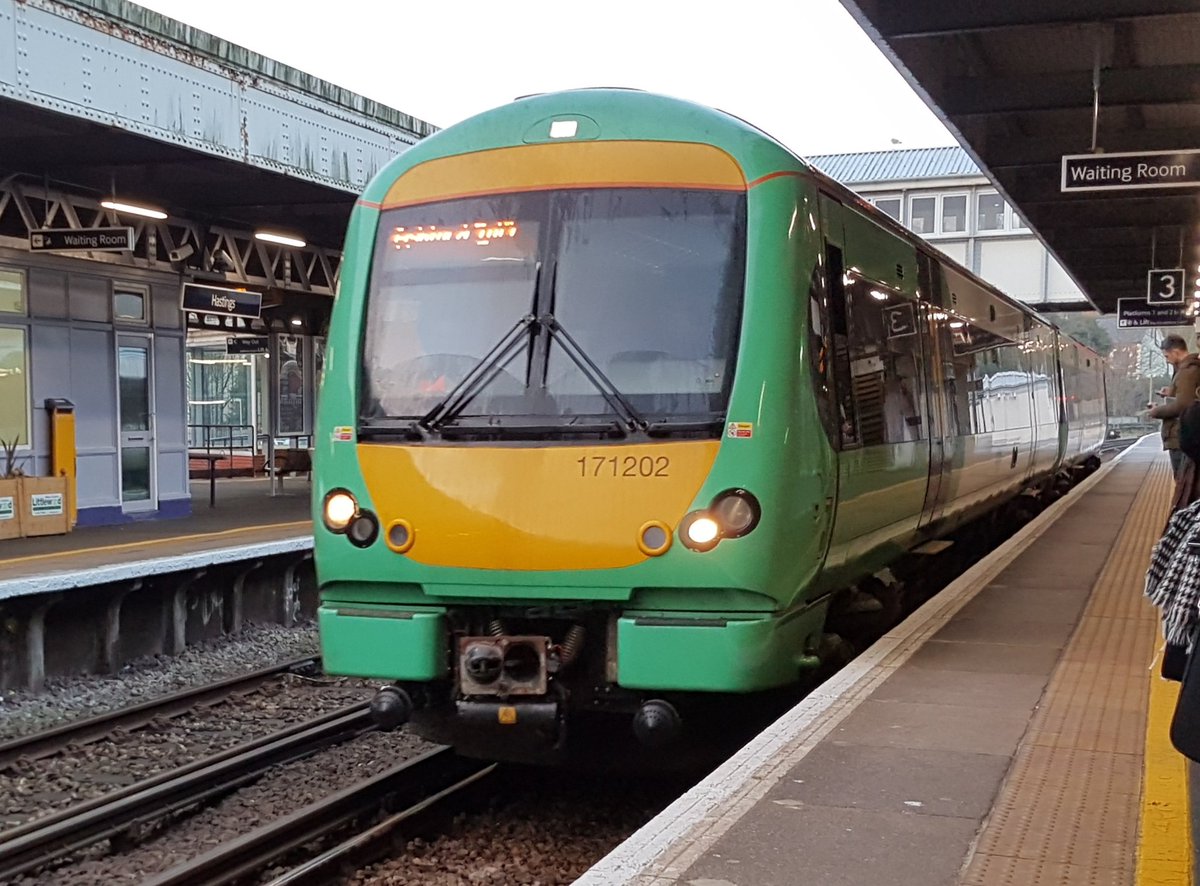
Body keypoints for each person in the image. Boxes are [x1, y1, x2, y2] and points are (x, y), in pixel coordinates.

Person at [1148, 334, 1200, 477]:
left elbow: (1183, 405)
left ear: (1176, 352)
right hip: (1184, 433)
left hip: (1180, 434)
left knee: (1183, 481)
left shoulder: (1187, 372)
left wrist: (1156, 411)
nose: (1167, 361)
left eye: (1166, 356)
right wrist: (1171, 392)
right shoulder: (1189, 369)